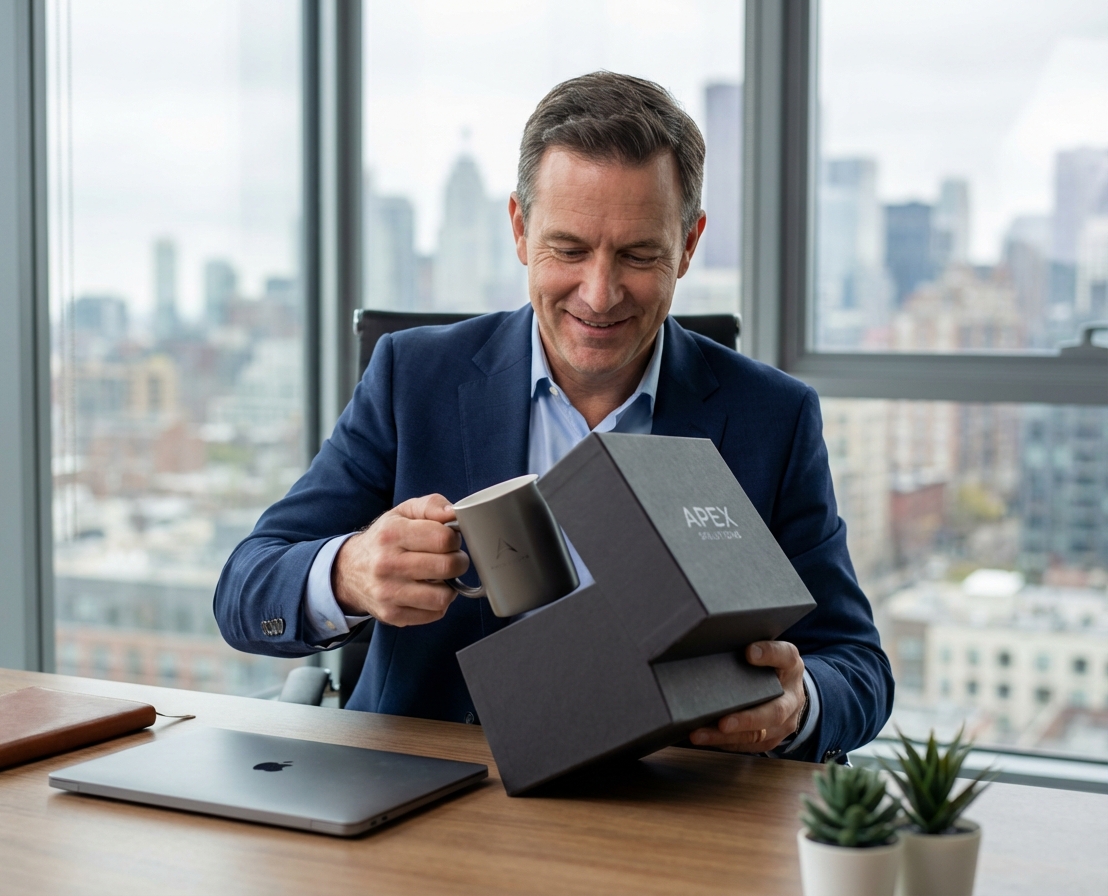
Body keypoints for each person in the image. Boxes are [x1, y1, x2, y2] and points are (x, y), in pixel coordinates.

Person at [214, 72, 893, 762]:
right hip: (440, 791)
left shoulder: (772, 418)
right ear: (519, 229)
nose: (599, 296)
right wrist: (349, 573)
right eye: (568, 250)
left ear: (688, 246)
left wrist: (798, 702)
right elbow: (245, 590)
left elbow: (858, 669)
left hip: (673, 804)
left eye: (637, 255)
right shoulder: (411, 378)